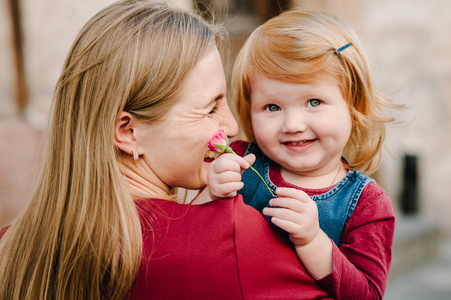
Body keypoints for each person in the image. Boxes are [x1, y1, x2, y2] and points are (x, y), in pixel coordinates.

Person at [0, 1, 335, 299]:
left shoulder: (12, 247)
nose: (231, 126)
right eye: (210, 108)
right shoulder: (229, 238)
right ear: (127, 132)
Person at [205, 9, 396, 299]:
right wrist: (210, 193)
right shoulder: (240, 162)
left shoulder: (368, 206)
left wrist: (312, 241)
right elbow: (195, 244)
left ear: (353, 106)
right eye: (272, 107)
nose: (293, 125)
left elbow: (367, 294)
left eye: (314, 101)